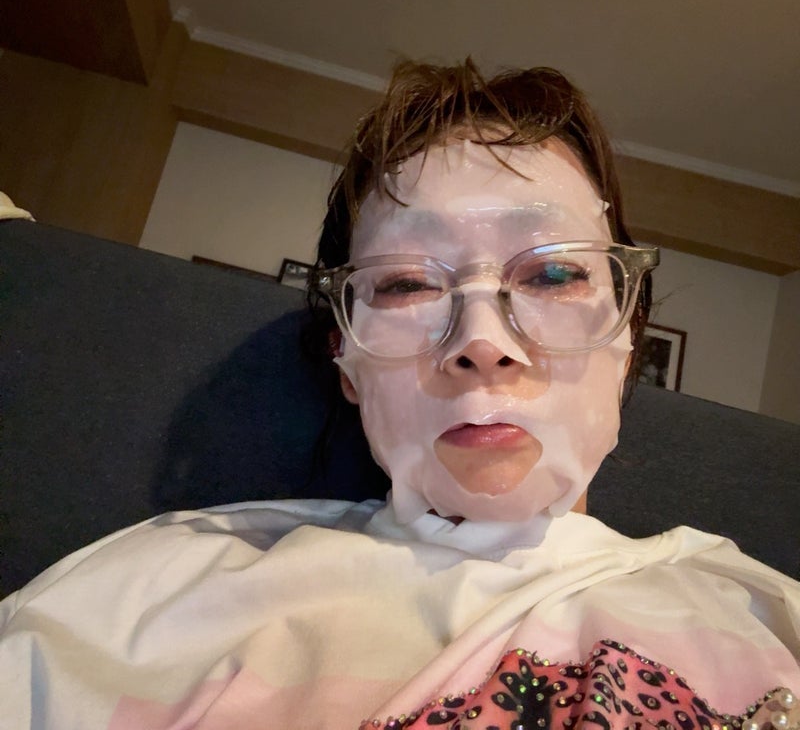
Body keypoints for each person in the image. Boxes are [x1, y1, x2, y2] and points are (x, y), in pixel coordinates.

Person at [1, 60, 798, 730]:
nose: (482, 340)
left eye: (553, 273)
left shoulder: (768, 620)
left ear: (626, 341)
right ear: (346, 363)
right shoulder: (146, 606)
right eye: (408, 283)